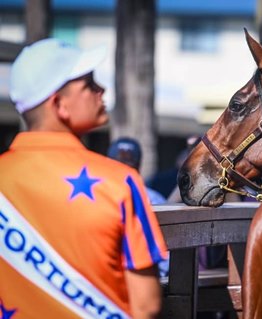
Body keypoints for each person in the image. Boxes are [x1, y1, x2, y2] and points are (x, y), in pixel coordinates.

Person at [0, 38, 168, 319]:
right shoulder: (121, 181)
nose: (101, 90)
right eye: (89, 84)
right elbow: (146, 305)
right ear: (59, 105)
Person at [107, 137, 166, 205]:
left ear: (138, 166)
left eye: (128, 164)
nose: (123, 169)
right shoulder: (97, 194)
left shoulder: (152, 199)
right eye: (119, 164)